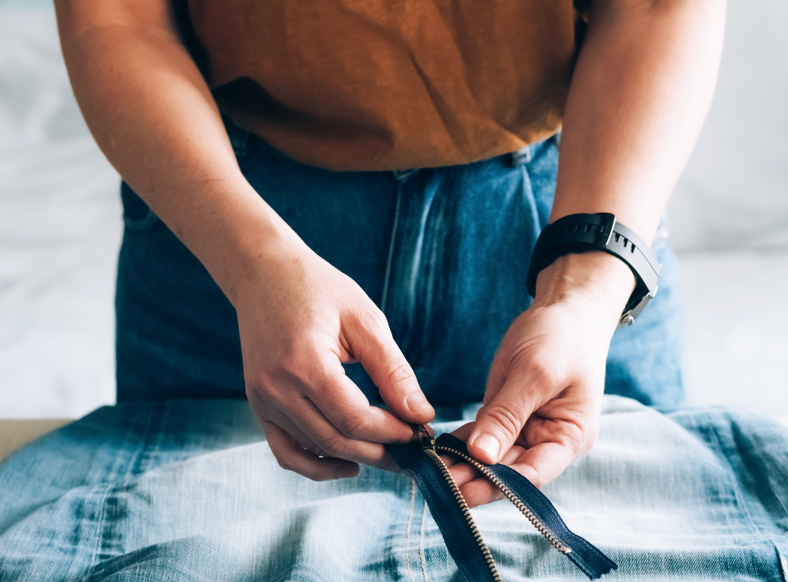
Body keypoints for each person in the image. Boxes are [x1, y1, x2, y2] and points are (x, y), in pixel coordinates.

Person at [54, 0, 725, 505]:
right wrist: (254, 265)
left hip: (576, 210)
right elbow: (119, 21)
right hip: (225, 228)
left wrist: (585, 294)